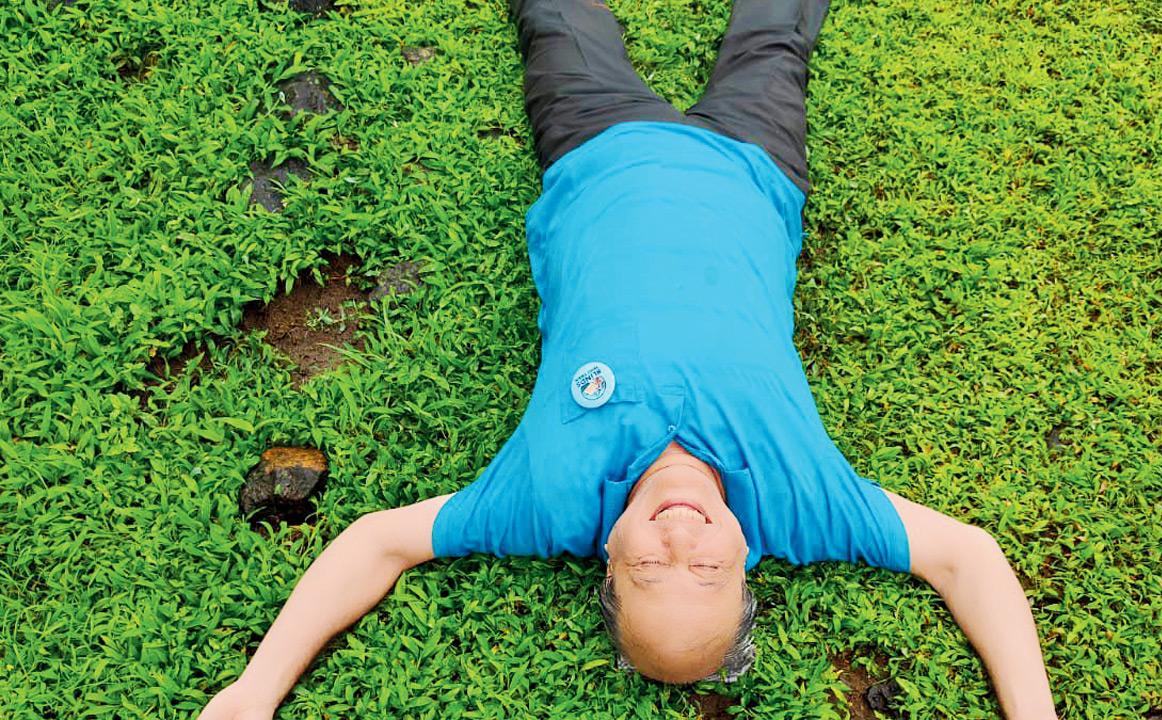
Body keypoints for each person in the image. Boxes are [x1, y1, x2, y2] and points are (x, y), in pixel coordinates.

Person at [200, 0, 1059, 717]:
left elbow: (380, 544)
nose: (681, 533)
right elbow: (966, 558)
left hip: (594, 150)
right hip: (756, 164)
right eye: (709, 566)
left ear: (606, 557)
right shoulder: (805, 502)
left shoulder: (545, 498)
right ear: (748, 559)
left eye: (650, 567)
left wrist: (256, 688)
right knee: (775, 36)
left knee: (555, 16)